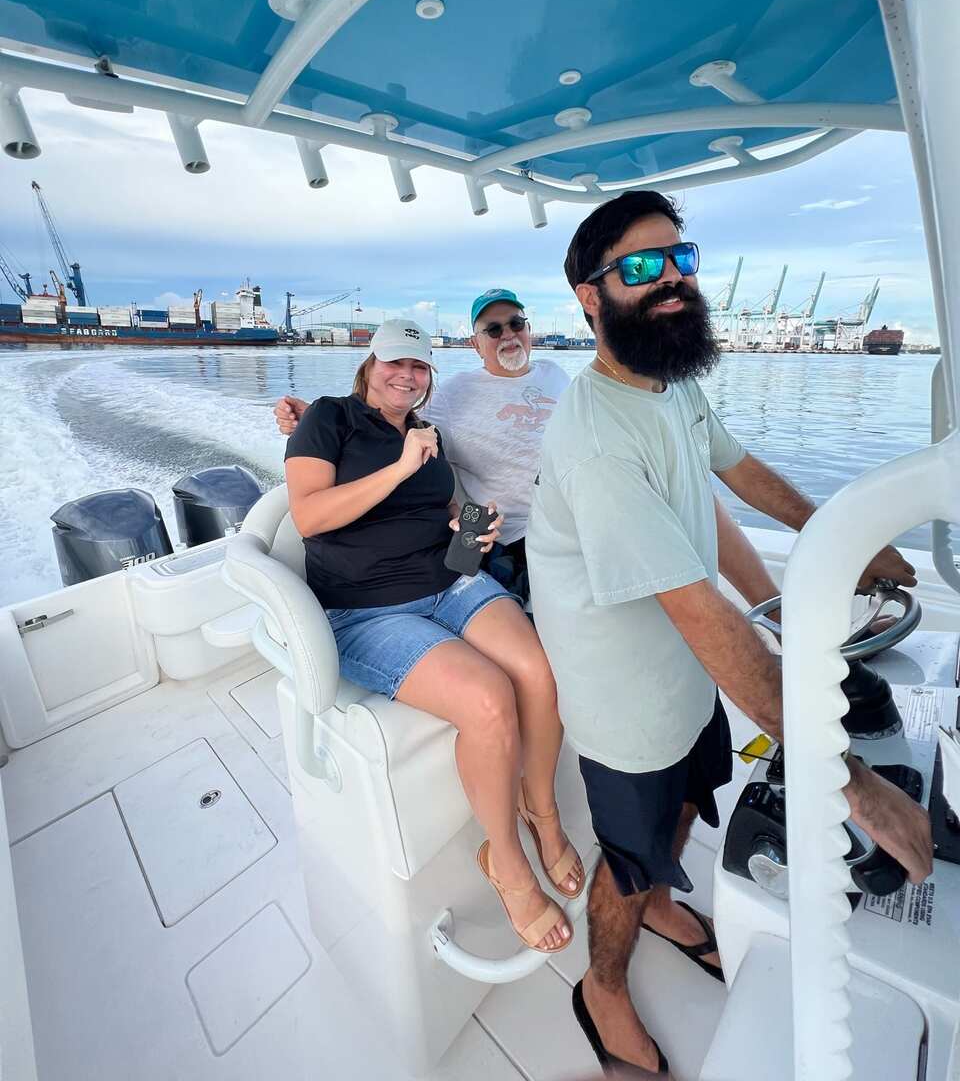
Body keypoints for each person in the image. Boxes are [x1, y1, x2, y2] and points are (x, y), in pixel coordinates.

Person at [526, 190, 932, 1077]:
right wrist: (850, 781)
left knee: (685, 804)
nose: (670, 276)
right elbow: (699, 609)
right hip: (625, 701)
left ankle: (665, 905)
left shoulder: (670, 388)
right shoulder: (594, 441)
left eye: (680, 257)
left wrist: (852, 544)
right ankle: (601, 986)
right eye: (639, 265)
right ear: (590, 297)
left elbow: (743, 473)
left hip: (685, 676)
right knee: (628, 862)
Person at [283, 318, 585, 954]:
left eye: (419, 367)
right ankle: (504, 859)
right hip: (365, 608)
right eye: (395, 363)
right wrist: (398, 467)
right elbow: (309, 516)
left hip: (448, 579)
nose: (407, 376)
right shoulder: (328, 420)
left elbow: (441, 509)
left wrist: (474, 522)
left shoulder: (427, 434)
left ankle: (543, 813)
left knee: (542, 671)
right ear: (370, 363)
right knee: (489, 699)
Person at [274, 288, 775, 608]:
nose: (508, 335)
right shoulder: (452, 396)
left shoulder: (561, 376)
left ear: (529, 331)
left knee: (690, 495)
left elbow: (399, 395)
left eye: (516, 324)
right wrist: (310, 420)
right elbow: (389, 406)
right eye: (493, 329)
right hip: (509, 537)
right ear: (475, 343)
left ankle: (770, 610)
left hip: (583, 519)